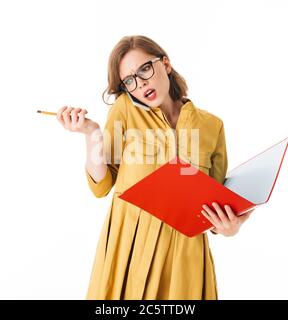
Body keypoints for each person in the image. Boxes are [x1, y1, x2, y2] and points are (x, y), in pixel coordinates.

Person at [56, 35, 254, 300]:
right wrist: (91, 133)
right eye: (130, 81)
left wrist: (228, 227)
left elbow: (213, 207)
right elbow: (102, 186)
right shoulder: (124, 110)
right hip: (129, 248)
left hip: (184, 259)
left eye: (144, 69)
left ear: (166, 64)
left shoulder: (211, 126)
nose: (140, 84)